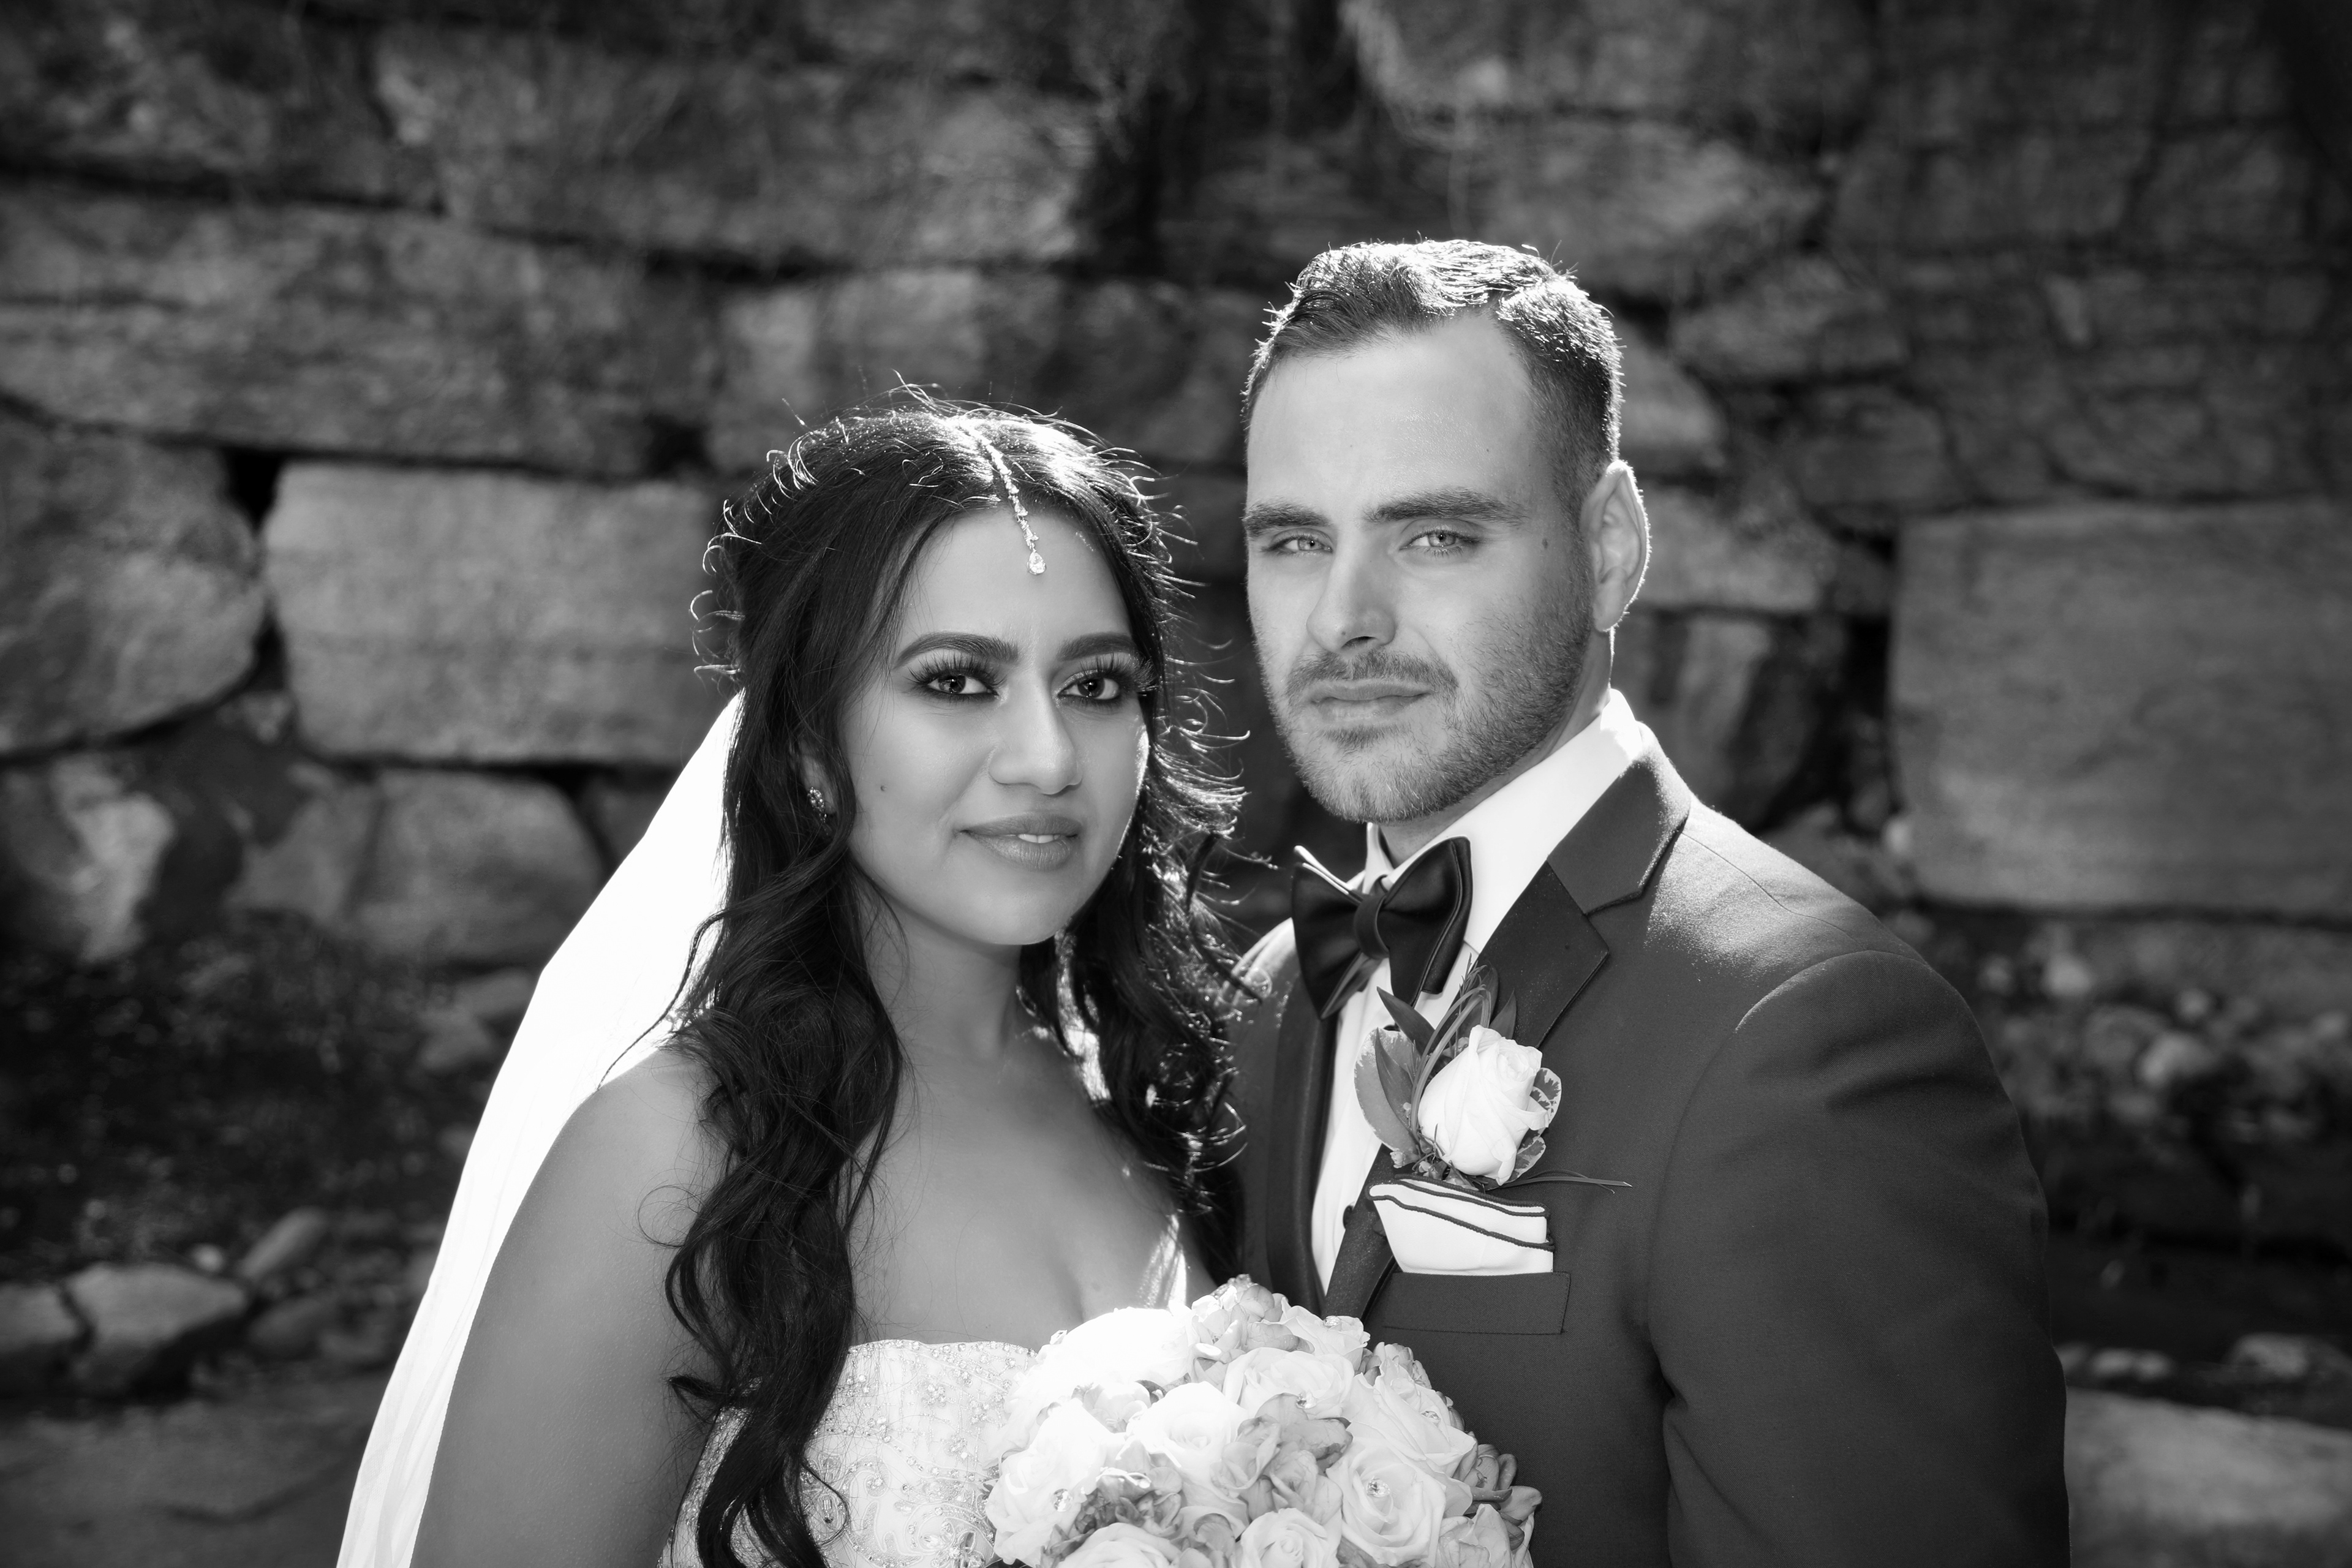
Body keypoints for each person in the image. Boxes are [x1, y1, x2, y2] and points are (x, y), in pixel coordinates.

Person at [1229, 241, 2070, 1565]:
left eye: (1436, 535)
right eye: (1294, 540)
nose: (1343, 618)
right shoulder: (1274, 994)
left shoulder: (1808, 1036)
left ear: (1611, 547)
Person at [352, 402, 1242, 1568]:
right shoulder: (675, 1154)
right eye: (957, 682)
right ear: (811, 747)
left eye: (1097, 685)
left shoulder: (1159, 1095)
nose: (1047, 758)